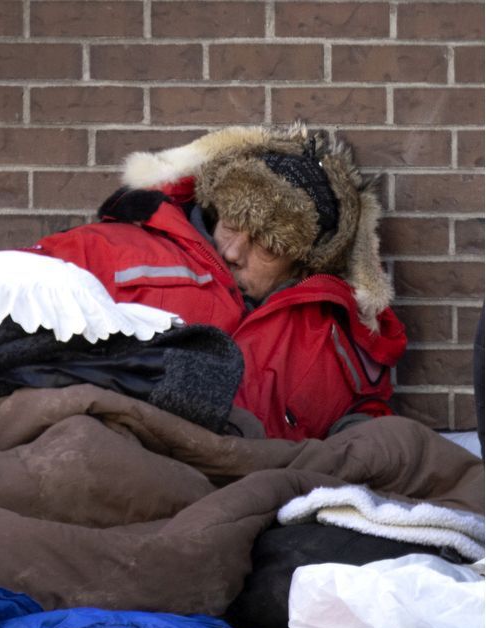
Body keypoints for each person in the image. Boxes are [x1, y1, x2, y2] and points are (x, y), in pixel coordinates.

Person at [22, 124, 407, 441]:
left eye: (267, 247)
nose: (234, 252)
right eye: (231, 225)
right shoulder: (116, 252)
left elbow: (366, 429)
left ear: (302, 264)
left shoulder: (333, 339)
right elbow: (4, 285)